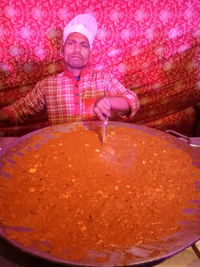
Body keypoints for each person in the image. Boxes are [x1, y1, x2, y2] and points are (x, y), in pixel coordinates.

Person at [0, 14, 139, 126]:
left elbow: (133, 101)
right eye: (71, 43)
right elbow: (20, 110)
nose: (77, 49)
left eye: (84, 45)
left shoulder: (104, 80)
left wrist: (109, 101)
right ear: (62, 50)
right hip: (61, 153)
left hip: (99, 151)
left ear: (90, 53)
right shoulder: (47, 85)